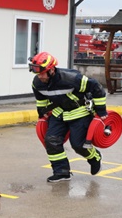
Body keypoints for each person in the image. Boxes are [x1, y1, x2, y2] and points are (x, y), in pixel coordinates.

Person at [29, 51, 107, 183]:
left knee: (78, 145)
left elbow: (97, 88)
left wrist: (101, 111)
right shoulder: (37, 83)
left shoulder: (71, 78)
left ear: (52, 70)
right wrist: (41, 115)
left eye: (42, 72)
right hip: (59, 113)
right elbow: (41, 100)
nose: (40, 76)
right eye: (37, 72)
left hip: (80, 112)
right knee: (51, 141)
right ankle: (62, 172)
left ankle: (94, 157)